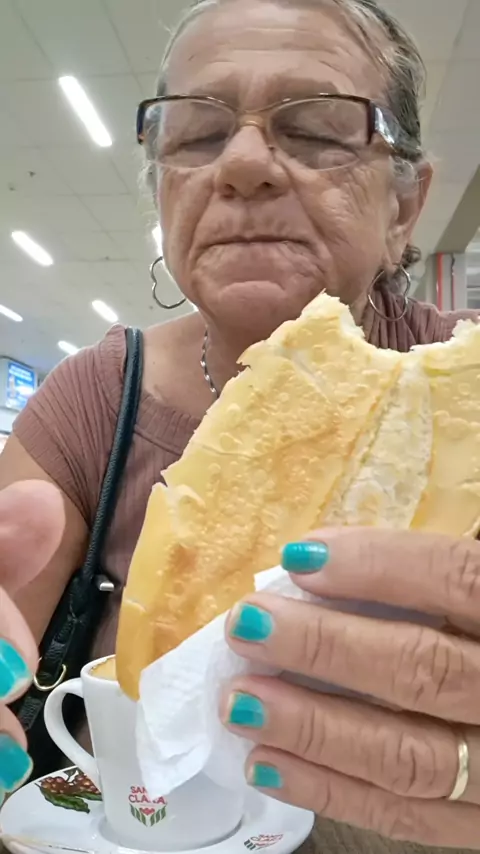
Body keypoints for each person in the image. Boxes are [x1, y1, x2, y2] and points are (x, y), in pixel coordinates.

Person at [1, 0, 479, 849]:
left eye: (320, 129)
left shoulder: (463, 397)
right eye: (195, 133)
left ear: (406, 205)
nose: (245, 163)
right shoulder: (88, 403)